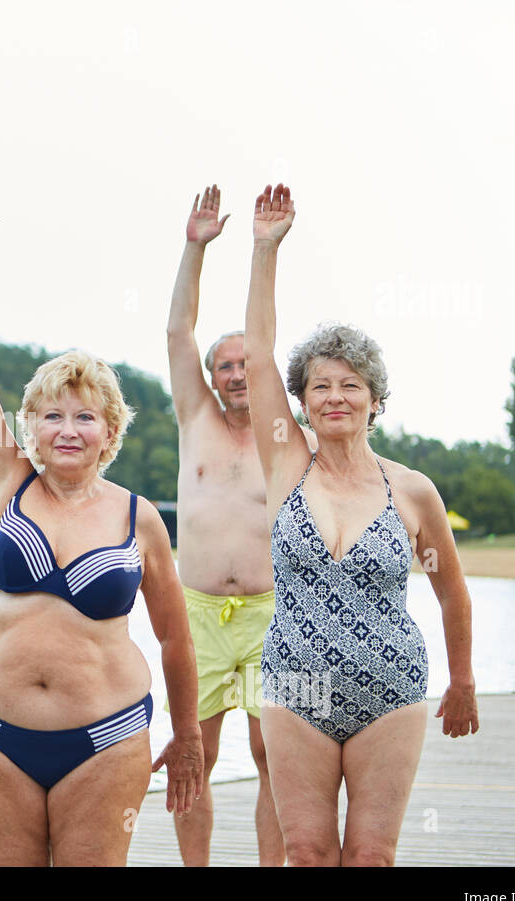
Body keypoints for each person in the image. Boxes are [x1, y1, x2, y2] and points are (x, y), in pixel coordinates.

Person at [0, 183, 203, 866]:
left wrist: (190, 736)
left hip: (108, 736)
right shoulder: (4, 484)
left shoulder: (139, 519)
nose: (67, 429)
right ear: (28, 424)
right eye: (51, 414)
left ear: (110, 430)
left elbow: (175, 636)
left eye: (85, 416)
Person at [243, 183, 479, 866]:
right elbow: (258, 355)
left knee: (371, 857)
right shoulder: (287, 465)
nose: (335, 396)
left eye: (351, 384)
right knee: (309, 852)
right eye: (321, 385)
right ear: (304, 403)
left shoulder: (413, 491)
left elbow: (452, 592)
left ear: (376, 401)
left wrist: (462, 681)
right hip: (295, 686)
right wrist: (265, 250)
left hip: (392, 690)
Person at [165, 183, 316, 866]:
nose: (233, 373)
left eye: (242, 366)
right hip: (194, 613)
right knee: (193, 755)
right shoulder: (194, 419)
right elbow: (176, 332)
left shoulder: (278, 432)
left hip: (268, 613)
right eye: (222, 366)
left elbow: (264, 338)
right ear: (207, 376)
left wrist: (264, 249)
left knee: (270, 755)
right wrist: (195, 248)